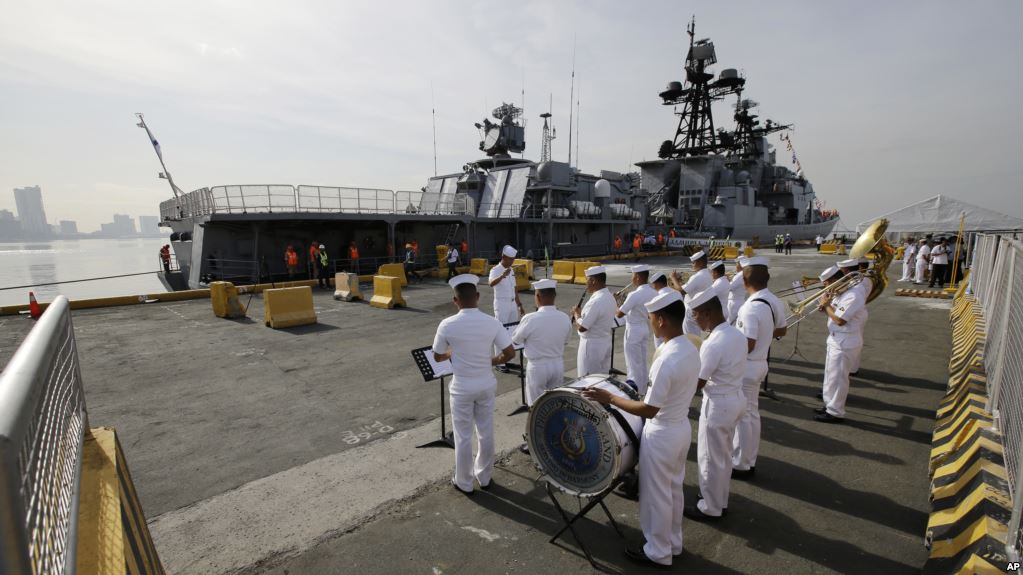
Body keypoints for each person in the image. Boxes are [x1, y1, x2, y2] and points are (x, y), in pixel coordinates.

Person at [582, 290, 699, 568]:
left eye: (651, 318)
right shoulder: (690, 347)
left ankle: (658, 551)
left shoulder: (666, 359)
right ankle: (672, 543)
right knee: (673, 489)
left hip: (663, 432)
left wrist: (610, 398)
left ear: (661, 320)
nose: (650, 323)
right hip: (681, 427)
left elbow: (649, 409)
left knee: (656, 494)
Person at [432, 274, 516, 494]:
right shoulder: (492, 322)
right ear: (477, 296)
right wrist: (492, 361)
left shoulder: (447, 324)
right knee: (486, 432)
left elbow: (437, 356)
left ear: (455, 300)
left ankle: (464, 482)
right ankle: (485, 477)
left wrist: (451, 353)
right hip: (486, 384)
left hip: (462, 388)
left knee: (463, 436)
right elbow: (510, 353)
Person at [683, 289, 746, 521]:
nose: (694, 319)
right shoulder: (736, 333)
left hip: (719, 404)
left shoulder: (713, 343)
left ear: (707, 313)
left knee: (710, 458)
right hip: (735, 397)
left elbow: (698, 382)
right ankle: (720, 500)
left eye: (696, 314)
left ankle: (710, 507)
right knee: (724, 455)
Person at [731, 257, 786, 480]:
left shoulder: (750, 308)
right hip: (761, 363)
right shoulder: (774, 301)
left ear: (745, 282)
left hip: (747, 366)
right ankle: (749, 459)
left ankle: (741, 463)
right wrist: (764, 334)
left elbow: (748, 344)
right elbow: (781, 330)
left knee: (742, 417)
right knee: (751, 414)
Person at [512, 279, 571, 452]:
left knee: (535, 407)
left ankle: (536, 444)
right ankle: (557, 438)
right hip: (557, 364)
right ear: (554, 296)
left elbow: (515, 340)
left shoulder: (530, 318)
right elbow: (565, 341)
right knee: (555, 404)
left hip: (537, 366)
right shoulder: (564, 317)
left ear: (537, 296)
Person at [815, 265, 866, 423]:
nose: (825, 287)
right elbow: (835, 312)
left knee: (838, 379)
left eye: (827, 283)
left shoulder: (853, 294)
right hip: (836, 339)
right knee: (831, 376)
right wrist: (826, 307)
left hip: (845, 341)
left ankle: (835, 412)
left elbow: (840, 320)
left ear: (835, 280)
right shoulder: (842, 292)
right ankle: (829, 405)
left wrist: (826, 305)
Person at [615, 265, 658, 393]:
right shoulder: (653, 292)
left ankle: (635, 390)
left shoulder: (634, 294)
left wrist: (616, 302)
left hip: (633, 329)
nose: (632, 279)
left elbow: (619, 314)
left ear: (638, 277)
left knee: (633, 363)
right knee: (642, 360)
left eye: (633, 276)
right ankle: (643, 388)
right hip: (644, 327)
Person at [572, 265, 617, 376]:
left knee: (587, 379)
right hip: (605, 342)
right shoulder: (610, 297)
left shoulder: (595, 301)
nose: (586, 283)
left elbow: (582, 327)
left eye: (587, 280)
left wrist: (576, 314)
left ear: (593, 281)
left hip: (592, 346)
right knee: (602, 378)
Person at [488, 245, 525, 372]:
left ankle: (509, 360)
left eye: (513, 259)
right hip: (501, 304)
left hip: (512, 303)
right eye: (510, 259)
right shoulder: (496, 269)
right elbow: (491, 283)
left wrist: (519, 305)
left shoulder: (511, 270)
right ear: (503, 257)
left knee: (512, 331)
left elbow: (514, 289)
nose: (512, 262)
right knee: (501, 331)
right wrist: (502, 276)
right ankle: (500, 362)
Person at [838, 258, 870, 376]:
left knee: (852, 344)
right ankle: (851, 367)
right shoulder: (858, 281)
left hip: (853, 316)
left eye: (842, 271)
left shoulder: (861, 282)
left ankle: (852, 368)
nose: (841, 274)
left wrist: (827, 306)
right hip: (854, 312)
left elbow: (840, 320)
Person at [669, 250, 712, 336]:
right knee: (695, 336)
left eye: (693, 263)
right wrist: (679, 282)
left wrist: (673, 278)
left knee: (690, 337)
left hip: (691, 310)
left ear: (700, 263)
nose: (692, 265)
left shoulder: (697, 276)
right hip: (700, 308)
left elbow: (681, 291)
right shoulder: (708, 273)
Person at [727, 257, 748, 324]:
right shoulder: (743, 273)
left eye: (737, 263)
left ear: (741, 264)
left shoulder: (740, 275)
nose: (736, 266)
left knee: (731, 323)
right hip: (739, 300)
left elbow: (729, 287)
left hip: (735, 302)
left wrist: (727, 280)